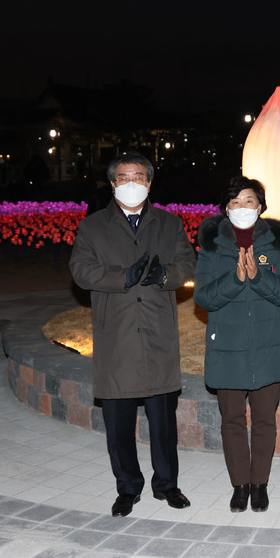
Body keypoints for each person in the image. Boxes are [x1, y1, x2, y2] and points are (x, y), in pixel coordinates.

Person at [69, 152, 196, 517]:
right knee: (119, 426)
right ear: (112, 183)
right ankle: (127, 487)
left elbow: (187, 263)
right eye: (123, 177)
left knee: (163, 424)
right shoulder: (93, 226)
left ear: (150, 182)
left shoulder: (168, 224)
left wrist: (167, 276)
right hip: (117, 337)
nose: (131, 183)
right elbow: (80, 270)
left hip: (157, 335)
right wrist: (122, 277)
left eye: (139, 177)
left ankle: (167, 485)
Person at [194, 176, 280, 513]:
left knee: (266, 419)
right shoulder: (212, 245)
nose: (243, 208)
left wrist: (258, 276)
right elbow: (204, 298)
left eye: (249, 201)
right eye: (235, 202)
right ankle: (240, 484)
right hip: (228, 347)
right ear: (226, 208)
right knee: (232, 419)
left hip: (268, 345)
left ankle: (260, 484)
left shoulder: (276, 244)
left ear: (261, 206)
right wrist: (235, 280)